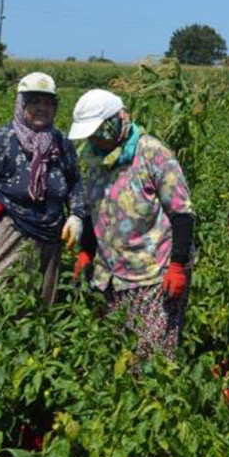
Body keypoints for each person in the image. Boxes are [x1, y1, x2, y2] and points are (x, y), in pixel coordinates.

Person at [68, 89, 195, 362]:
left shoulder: (152, 153)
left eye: (99, 131)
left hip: (152, 274)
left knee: (151, 359)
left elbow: (182, 214)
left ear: (119, 118)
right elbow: (93, 211)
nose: (95, 139)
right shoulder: (94, 160)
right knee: (117, 356)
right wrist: (86, 251)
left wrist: (178, 265)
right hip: (110, 276)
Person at [0, 72, 85, 303]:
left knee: (40, 303)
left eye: (48, 103)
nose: (42, 108)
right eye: (34, 102)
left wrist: (77, 215)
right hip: (10, 230)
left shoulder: (61, 143)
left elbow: (75, 183)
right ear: (21, 105)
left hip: (51, 235)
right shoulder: (1, 140)